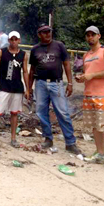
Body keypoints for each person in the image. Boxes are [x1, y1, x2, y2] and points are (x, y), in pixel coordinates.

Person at [27, 23, 81, 155]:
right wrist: (28, 88)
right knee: (41, 112)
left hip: (56, 84)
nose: (47, 34)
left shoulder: (59, 46)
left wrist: (70, 83)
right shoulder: (35, 49)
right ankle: (48, 138)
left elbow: (67, 64)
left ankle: (70, 142)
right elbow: (32, 70)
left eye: (49, 31)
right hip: (40, 84)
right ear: (39, 35)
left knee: (62, 112)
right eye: (44, 32)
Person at [75, 26, 104, 170]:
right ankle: (100, 153)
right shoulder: (86, 55)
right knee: (96, 126)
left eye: (93, 35)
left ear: (99, 36)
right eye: (88, 35)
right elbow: (88, 73)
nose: (90, 37)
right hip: (89, 94)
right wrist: (82, 78)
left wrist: (92, 75)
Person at [0, 31, 29, 149]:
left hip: (17, 88)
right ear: (9, 40)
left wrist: (28, 88)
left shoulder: (23, 55)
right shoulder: (2, 52)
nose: (14, 41)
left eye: (16, 39)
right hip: (4, 86)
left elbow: (25, 71)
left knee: (14, 114)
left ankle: (13, 138)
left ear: (19, 40)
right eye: (12, 39)